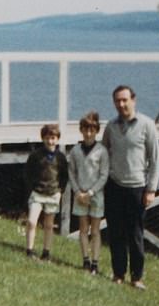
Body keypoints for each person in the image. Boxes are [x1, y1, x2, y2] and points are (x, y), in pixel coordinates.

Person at [102, 85, 159, 289]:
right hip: (114, 186)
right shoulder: (110, 126)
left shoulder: (147, 125)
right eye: (118, 101)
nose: (121, 104)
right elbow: (103, 154)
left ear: (133, 100)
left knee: (135, 234)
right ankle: (118, 273)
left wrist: (151, 189)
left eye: (125, 100)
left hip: (137, 187)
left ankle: (137, 277)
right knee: (116, 233)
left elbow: (155, 160)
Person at [68, 110, 109, 275]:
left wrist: (91, 192)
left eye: (92, 130)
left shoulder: (102, 151)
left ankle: (95, 262)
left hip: (96, 195)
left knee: (96, 231)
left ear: (96, 131)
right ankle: (85, 259)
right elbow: (71, 172)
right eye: (85, 129)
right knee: (83, 229)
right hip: (80, 195)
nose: (88, 133)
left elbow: (104, 175)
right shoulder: (75, 151)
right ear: (81, 130)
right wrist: (78, 192)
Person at [24, 123, 69, 261]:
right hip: (38, 193)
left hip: (53, 194)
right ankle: (29, 250)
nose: (50, 141)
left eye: (53, 138)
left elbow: (64, 176)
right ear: (43, 138)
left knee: (49, 225)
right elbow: (28, 173)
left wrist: (60, 191)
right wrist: (31, 188)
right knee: (32, 222)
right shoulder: (36, 155)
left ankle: (46, 252)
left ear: (57, 139)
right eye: (48, 138)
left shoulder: (60, 157)